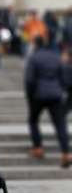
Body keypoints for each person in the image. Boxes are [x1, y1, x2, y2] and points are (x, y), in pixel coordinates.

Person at [25, 36, 71, 168]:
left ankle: (38, 147)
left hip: (38, 95)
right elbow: (64, 77)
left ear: (36, 45)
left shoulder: (34, 58)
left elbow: (29, 79)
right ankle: (66, 153)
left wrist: (30, 95)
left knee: (33, 120)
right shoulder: (57, 58)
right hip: (55, 95)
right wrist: (60, 89)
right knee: (60, 123)